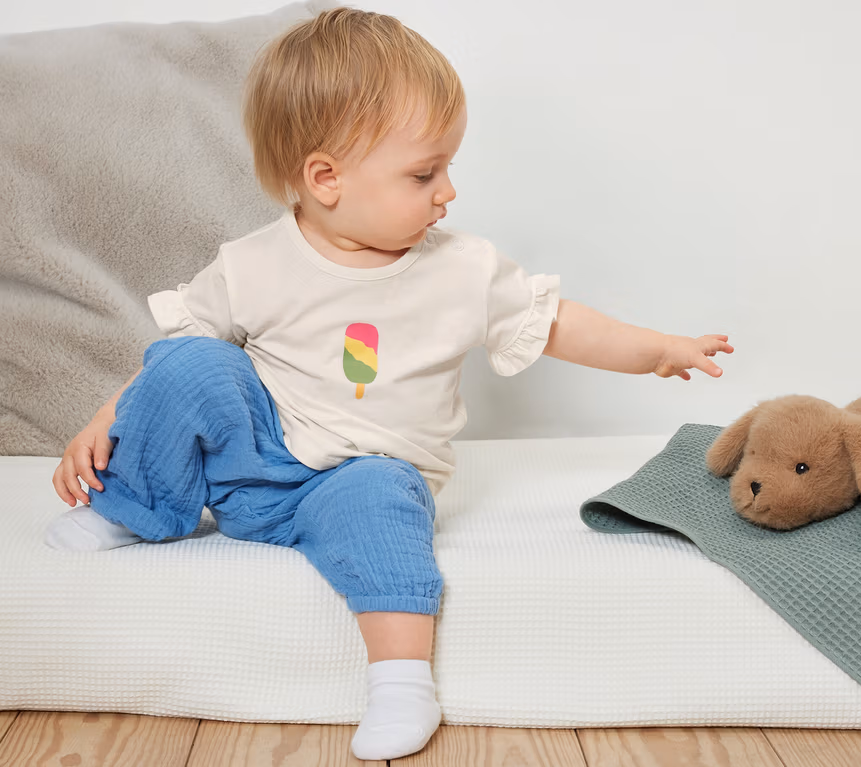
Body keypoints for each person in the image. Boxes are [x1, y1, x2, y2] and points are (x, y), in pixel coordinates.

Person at [47, 7, 734, 761]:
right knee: (189, 362)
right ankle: (136, 508)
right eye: (424, 173)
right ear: (326, 179)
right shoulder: (252, 264)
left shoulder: (462, 269)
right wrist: (106, 421)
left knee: (379, 494)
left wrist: (656, 349)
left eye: (447, 169)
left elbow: (559, 323)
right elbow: (174, 358)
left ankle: (402, 680)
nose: (448, 192)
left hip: (361, 477)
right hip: (254, 467)